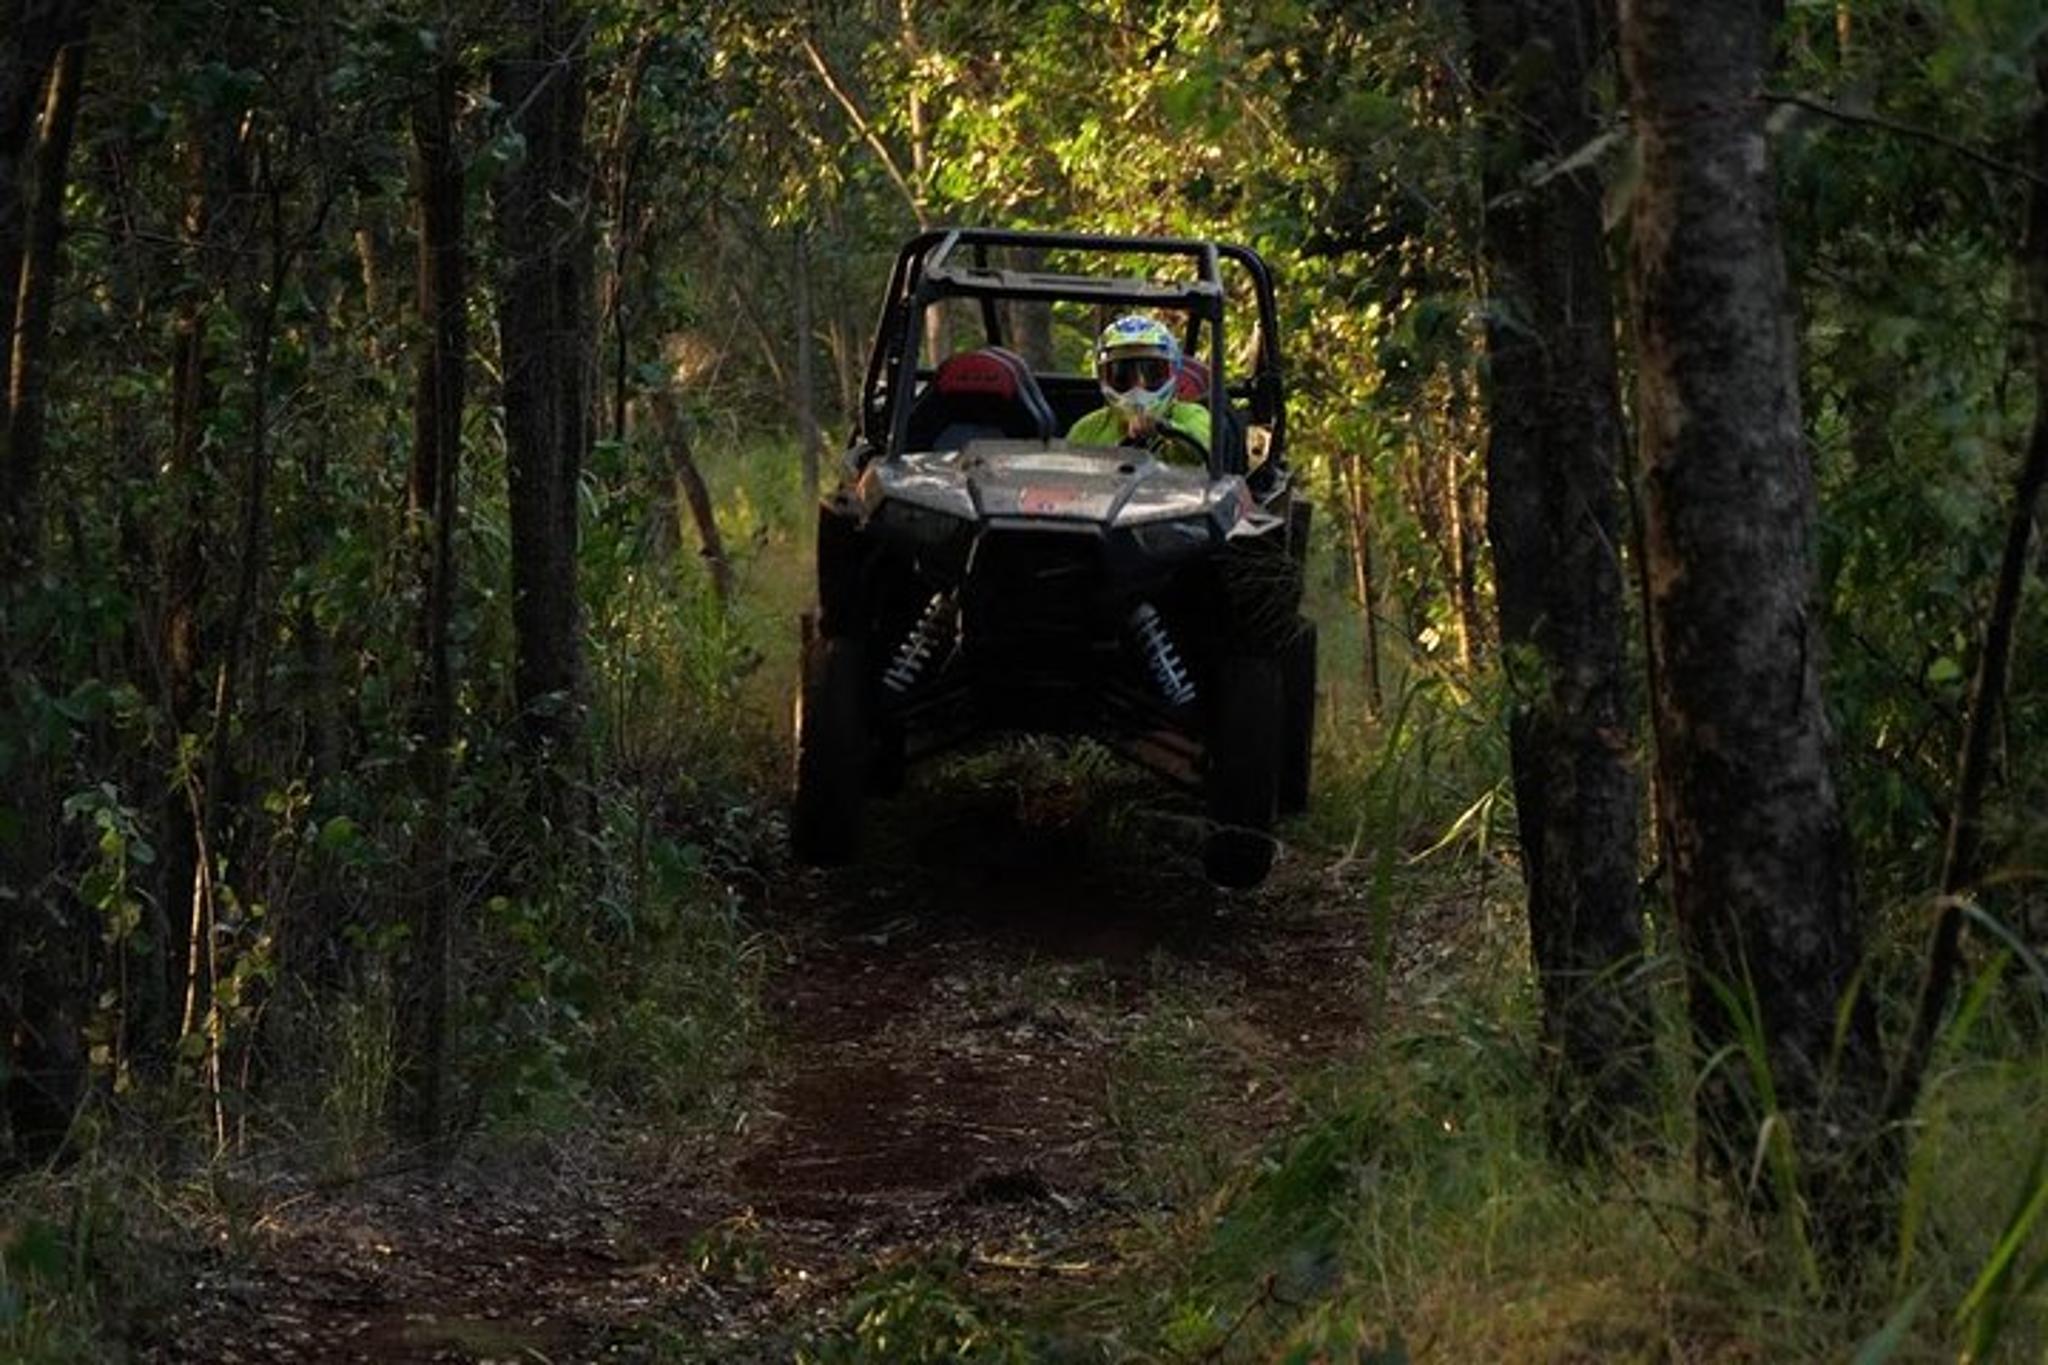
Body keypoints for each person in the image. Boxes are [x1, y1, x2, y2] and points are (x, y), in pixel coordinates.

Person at [1068, 314, 1211, 465]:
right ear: (1104, 378)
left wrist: (1165, 428)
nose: (1138, 387)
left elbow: (1203, 448)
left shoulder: (1192, 415)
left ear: (1173, 372)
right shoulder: (1087, 429)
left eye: (1152, 374)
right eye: (1122, 376)